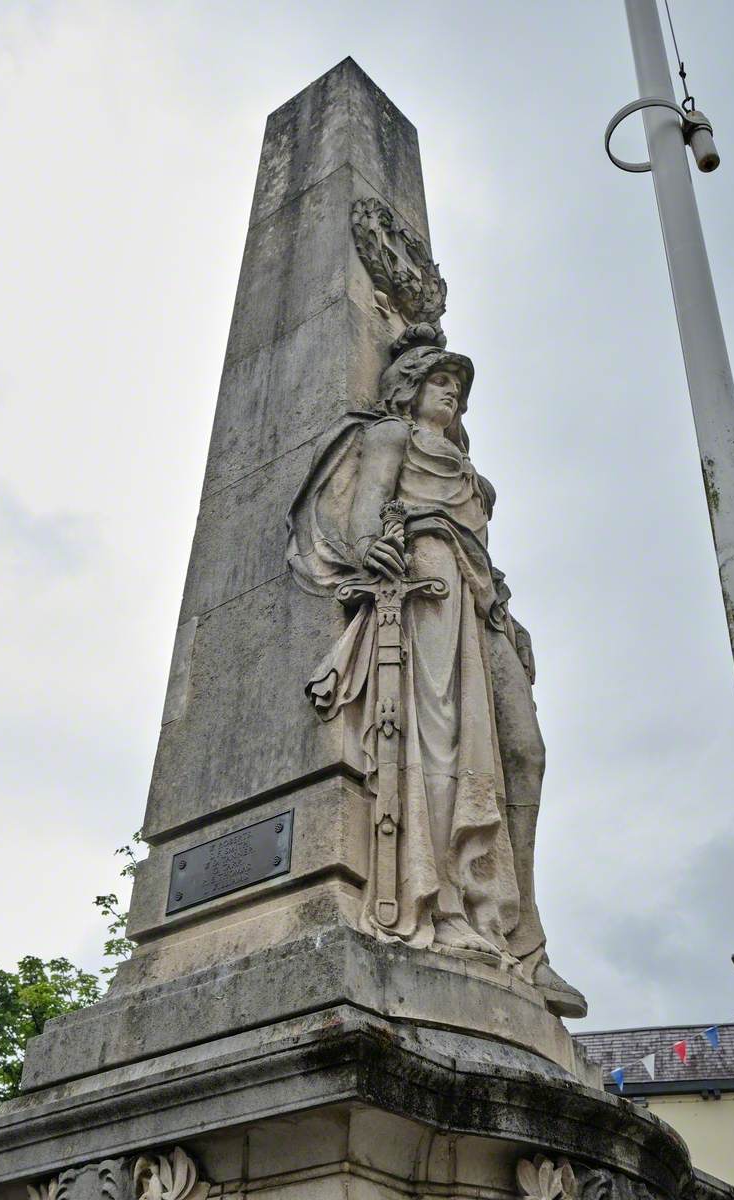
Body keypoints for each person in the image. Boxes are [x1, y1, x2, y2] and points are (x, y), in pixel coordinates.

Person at [287, 339, 586, 1017]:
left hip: (481, 601)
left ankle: (517, 931)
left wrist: (506, 611)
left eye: (459, 386)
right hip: (428, 579)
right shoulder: (393, 435)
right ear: (409, 388)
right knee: (443, 737)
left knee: (523, 755)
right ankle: (444, 898)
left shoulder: (470, 471)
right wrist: (377, 546)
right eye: (440, 381)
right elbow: (367, 511)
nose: (452, 392)